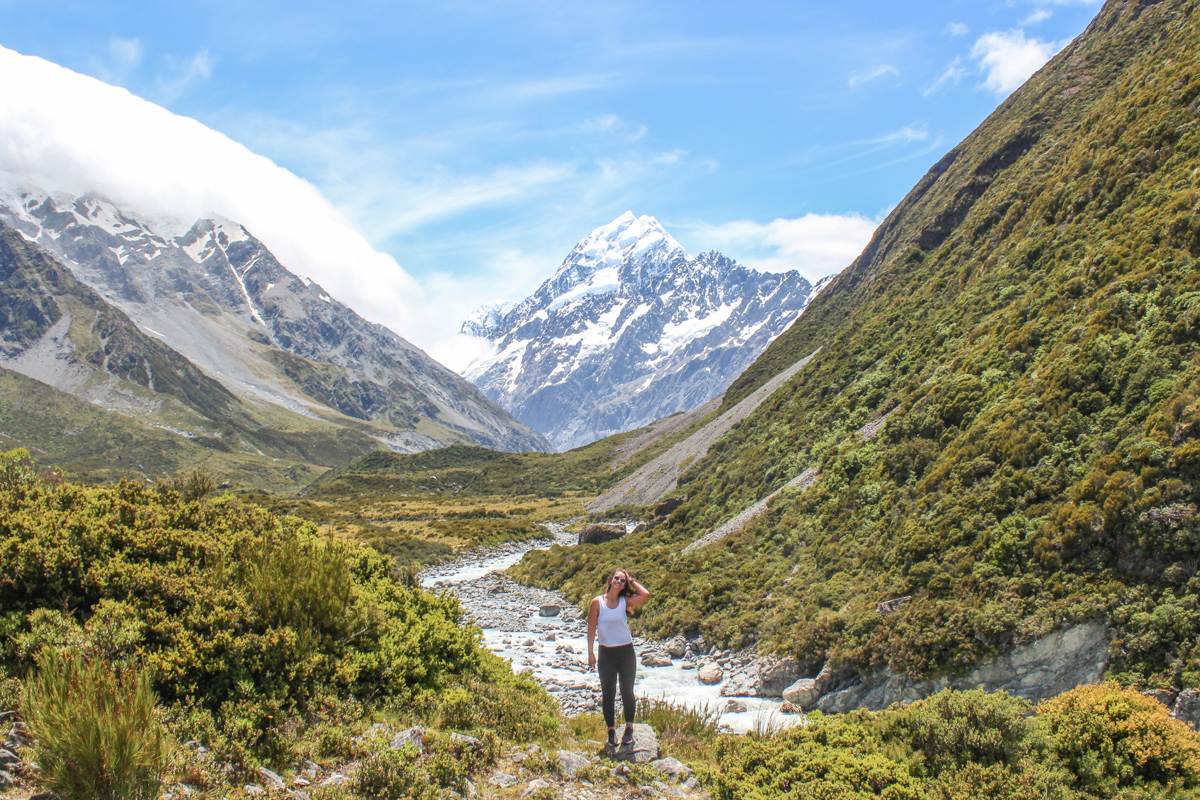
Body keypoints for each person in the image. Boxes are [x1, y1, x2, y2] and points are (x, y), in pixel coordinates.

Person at [587, 568, 650, 749]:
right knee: (608, 694)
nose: (619, 582)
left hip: (626, 653)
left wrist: (632, 580)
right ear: (610, 580)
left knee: (627, 691)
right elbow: (591, 627)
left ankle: (629, 728)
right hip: (606, 653)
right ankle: (611, 731)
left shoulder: (625, 602)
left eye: (622, 581)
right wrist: (590, 653)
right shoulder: (597, 602)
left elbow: (645, 595)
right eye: (617, 579)